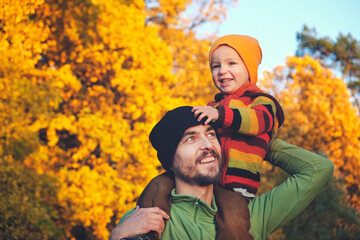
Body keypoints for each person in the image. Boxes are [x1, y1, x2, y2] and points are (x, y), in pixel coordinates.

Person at [109, 106, 334, 240]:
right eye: (190, 138)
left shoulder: (247, 217)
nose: (208, 144)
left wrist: (255, 141)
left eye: (211, 134)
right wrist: (116, 236)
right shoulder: (144, 218)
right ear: (171, 160)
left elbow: (317, 169)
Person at [192, 34, 284, 198]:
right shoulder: (213, 106)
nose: (222, 71)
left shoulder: (260, 101)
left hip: (237, 188)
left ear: (249, 69)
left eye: (231, 63)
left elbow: (258, 122)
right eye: (215, 66)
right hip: (205, 182)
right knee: (161, 185)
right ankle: (145, 217)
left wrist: (220, 115)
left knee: (233, 221)